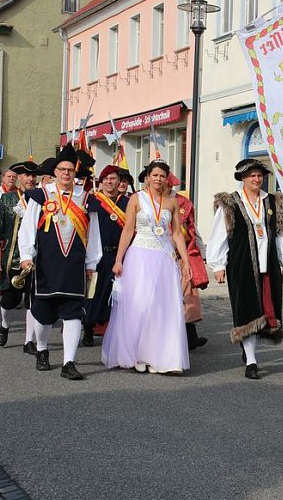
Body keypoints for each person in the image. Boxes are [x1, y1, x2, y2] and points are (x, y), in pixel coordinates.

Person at [207, 159, 283, 379]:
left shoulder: (272, 202)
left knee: (265, 310)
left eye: (259, 175)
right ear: (243, 178)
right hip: (241, 265)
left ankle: (249, 352)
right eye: (252, 176)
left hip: (268, 265)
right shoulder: (230, 203)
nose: (256, 179)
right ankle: (251, 361)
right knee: (246, 310)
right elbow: (220, 235)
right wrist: (218, 265)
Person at [101, 159, 191, 374]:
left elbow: (177, 233)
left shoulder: (172, 202)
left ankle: (163, 358)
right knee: (140, 304)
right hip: (140, 255)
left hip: (164, 257)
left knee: (162, 307)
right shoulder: (136, 199)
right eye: (155, 175)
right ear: (148, 177)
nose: (158, 179)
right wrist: (119, 260)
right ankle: (138, 353)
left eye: (162, 175)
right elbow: (128, 230)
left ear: (167, 178)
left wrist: (186, 261)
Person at [18, 145, 99, 380]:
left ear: (75, 172)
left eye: (70, 170)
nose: (66, 174)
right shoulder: (41, 196)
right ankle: (42, 350)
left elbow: (94, 235)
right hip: (46, 264)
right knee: (43, 314)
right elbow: (27, 229)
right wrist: (25, 256)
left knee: (74, 312)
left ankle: (69, 362)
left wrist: (92, 262)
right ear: (54, 172)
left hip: (74, 265)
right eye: (62, 169)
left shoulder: (85, 198)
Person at [0, 160, 40, 354]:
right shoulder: (8, 199)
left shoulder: (43, 199)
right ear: (19, 177)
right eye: (27, 175)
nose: (31, 179)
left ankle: (29, 341)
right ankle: (4, 325)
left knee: (32, 302)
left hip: (36, 260)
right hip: (13, 258)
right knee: (9, 300)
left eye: (34, 175)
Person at [83, 165, 129, 347]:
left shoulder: (127, 203)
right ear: (101, 182)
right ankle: (88, 327)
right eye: (106, 179)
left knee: (116, 293)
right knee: (93, 292)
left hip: (119, 255)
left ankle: (114, 330)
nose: (109, 182)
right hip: (97, 255)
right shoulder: (93, 201)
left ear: (119, 182)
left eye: (113, 179)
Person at [166, 173, 208, 350]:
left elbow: (192, 229)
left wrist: (201, 252)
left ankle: (190, 336)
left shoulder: (184, 203)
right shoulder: (147, 199)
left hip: (183, 255)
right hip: (160, 254)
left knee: (187, 296)